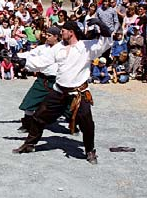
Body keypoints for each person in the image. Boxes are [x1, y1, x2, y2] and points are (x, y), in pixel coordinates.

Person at [12, 19, 113, 165]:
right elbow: (42, 61)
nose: (61, 33)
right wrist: (23, 62)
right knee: (38, 116)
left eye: (63, 31)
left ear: (71, 32)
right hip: (59, 91)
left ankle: (90, 150)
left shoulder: (86, 47)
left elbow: (106, 41)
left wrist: (101, 24)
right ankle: (29, 144)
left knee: (87, 123)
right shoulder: (58, 47)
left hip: (79, 93)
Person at [16, 27, 60, 131]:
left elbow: (43, 62)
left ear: (56, 37)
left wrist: (24, 62)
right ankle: (27, 124)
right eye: (46, 34)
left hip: (58, 81)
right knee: (30, 101)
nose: (46, 37)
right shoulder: (42, 48)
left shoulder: (62, 49)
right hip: (43, 80)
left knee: (68, 106)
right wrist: (15, 56)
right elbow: (30, 54)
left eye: (49, 35)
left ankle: (74, 125)